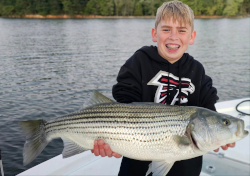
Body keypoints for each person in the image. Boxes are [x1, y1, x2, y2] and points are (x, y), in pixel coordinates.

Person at [91, 1, 235, 176]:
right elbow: (124, 104)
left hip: (187, 168)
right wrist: (110, 141)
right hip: (136, 163)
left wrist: (220, 133)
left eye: (182, 30)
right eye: (166, 29)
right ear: (154, 33)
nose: (173, 37)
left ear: (192, 36)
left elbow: (208, 111)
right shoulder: (139, 62)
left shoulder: (197, 70)